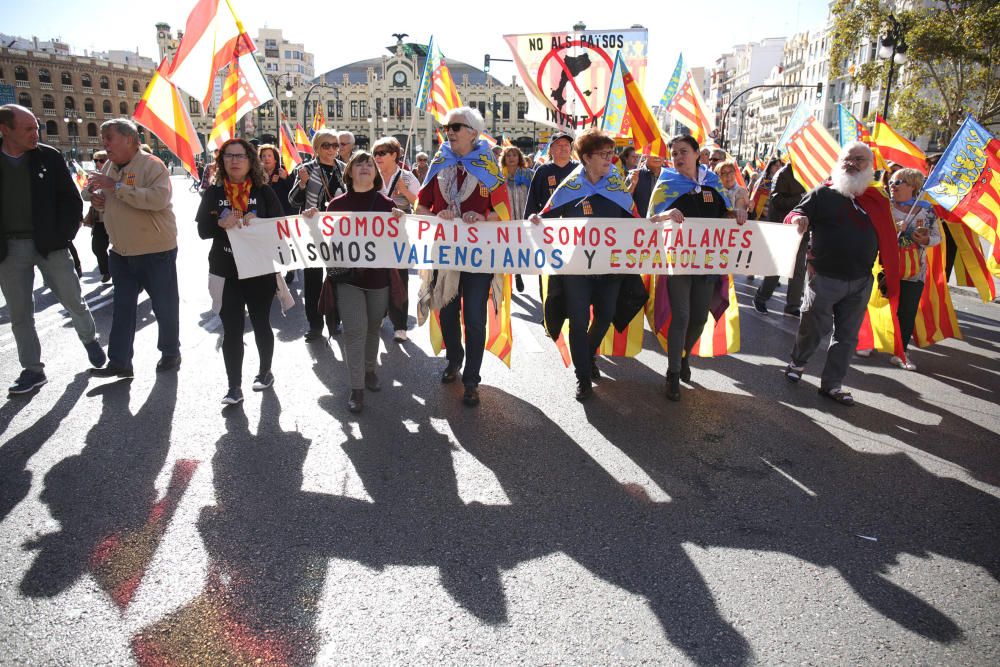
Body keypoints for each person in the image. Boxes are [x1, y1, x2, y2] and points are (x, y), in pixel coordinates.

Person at [783, 141, 900, 406]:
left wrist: (886, 271)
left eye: (859, 160)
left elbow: (887, 236)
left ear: (870, 166)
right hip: (823, 276)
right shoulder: (823, 194)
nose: (852, 163)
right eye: (847, 159)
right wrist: (798, 220)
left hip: (860, 281)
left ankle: (832, 385)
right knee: (813, 327)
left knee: (846, 337)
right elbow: (795, 213)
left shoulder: (878, 199)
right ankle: (797, 363)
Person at [0, 104, 106, 395]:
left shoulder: (49, 156)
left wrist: (62, 237)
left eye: (36, 127)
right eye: (28, 129)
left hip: (51, 245)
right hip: (9, 250)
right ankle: (32, 370)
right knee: (20, 313)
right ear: (5, 130)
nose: (36, 133)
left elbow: (71, 201)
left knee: (73, 299)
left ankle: (90, 340)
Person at [530, 129, 636, 400]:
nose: (610, 159)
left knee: (605, 316)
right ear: (587, 157)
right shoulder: (571, 186)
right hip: (576, 269)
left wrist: (662, 218)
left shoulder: (616, 183)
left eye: (612, 154)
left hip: (610, 269)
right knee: (578, 321)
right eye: (604, 154)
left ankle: (587, 355)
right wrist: (536, 220)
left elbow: (636, 221)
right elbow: (545, 216)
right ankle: (582, 377)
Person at [414, 107, 502, 408]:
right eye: (447, 126)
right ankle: (455, 359)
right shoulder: (439, 161)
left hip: (479, 257)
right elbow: (420, 208)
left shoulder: (488, 164)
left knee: (475, 318)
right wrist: (437, 214)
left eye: (456, 126)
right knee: (447, 314)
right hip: (445, 253)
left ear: (473, 133)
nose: (449, 131)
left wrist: (484, 214)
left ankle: (472, 380)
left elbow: (502, 212)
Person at [648, 134, 744, 401]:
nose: (678, 157)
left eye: (683, 152)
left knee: (699, 318)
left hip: (708, 263)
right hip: (678, 262)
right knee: (681, 316)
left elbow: (726, 212)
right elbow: (650, 219)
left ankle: (683, 355)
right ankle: (673, 373)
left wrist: (738, 210)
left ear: (696, 154)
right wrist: (666, 215)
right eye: (674, 153)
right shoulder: (667, 183)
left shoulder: (713, 182)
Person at [88, 117, 179, 379]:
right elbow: (107, 200)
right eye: (103, 139)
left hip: (155, 250)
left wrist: (115, 188)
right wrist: (97, 200)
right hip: (121, 251)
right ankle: (119, 362)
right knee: (123, 307)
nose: (105, 145)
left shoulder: (152, 165)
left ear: (129, 140)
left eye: (110, 139)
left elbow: (159, 199)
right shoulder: (109, 165)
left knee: (164, 305)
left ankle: (170, 351)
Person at [196, 138, 284, 405]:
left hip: (259, 271)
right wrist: (220, 223)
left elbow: (281, 228)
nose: (234, 161)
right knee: (232, 330)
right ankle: (234, 387)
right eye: (229, 156)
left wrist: (261, 223)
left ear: (250, 161)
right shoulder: (214, 193)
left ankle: (265, 372)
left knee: (260, 324)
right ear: (222, 162)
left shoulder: (264, 191)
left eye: (240, 156)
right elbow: (202, 232)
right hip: (225, 272)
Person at [324, 151, 404, 413]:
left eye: (370, 163)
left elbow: (401, 243)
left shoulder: (387, 204)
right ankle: (356, 388)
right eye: (359, 163)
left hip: (378, 279)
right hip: (348, 280)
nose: (365, 167)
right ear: (349, 172)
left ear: (376, 173)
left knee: (372, 328)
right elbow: (323, 240)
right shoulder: (335, 206)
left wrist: (400, 223)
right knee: (354, 331)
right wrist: (313, 219)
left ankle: (370, 370)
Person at [857, 168, 940, 370]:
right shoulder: (883, 207)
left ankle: (901, 353)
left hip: (914, 271)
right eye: (891, 182)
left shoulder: (926, 210)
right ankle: (869, 343)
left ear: (913, 186)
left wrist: (927, 239)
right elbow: (869, 233)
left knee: (906, 312)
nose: (892, 186)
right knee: (877, 304)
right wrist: (893, 228)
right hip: (884, 267)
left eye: (898, 182)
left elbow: (937, 237)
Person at [289, 128, 346, 340]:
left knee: (338, 277)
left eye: (335, 145)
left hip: (338, 233)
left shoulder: (344, 168)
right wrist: (302, 184)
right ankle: (314, 325)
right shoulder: (305, 169)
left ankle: (335, 320)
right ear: (316, 148)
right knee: (312, 281)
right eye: (326, 145)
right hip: (312, 232)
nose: (331, 150)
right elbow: (293, 201)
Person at [372, 136, 420, 342]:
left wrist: (405, 191)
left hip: (400, 237)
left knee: (399, 280)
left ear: (394, 155)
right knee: (377, 279)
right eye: (375, 153)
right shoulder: (370, 175)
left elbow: (420, 205)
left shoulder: (408, 177)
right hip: (374, 236)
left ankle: (400, 326)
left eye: (382, 153)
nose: (377, 157)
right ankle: (381, 314)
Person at [753, 161, 807, 315]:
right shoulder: (783, 174)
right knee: (777, 267)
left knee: (798, 270)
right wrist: (801, 198)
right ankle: (761, 298)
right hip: (783, 227)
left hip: (802, 229)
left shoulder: (809, 173)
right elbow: (776, 201)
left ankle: (793, 306)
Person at [501, 146, 534, 293]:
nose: (511, 158)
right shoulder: (499, 175)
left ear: (519, 157)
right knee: (508, 248)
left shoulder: (528, 174)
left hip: (523, 216)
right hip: (506, 218)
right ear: (504, 158)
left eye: (514, 155)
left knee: (522, 247)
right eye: (508, 155)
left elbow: (536, 194)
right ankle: (513, 276)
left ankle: (519, 272)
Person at [523, 132, 577, 217]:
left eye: (566, 144)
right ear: (551, 149)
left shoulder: (579, 169)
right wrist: (529, 218)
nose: (563, 148)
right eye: (559, 145)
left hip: (576, 224)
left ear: (570, 148)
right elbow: (532, 200)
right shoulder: (543, 171)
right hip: (549, 224)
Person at [82, 150, 111, 283]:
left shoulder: (114, 174)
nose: (98, 163)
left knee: (121, 249)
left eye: (101, 160)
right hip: (100, 220)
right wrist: (91, 188)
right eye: (96, 161)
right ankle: (106, 271)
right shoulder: (93, 177)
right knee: (97, 247)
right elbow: (84, 196)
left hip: (115, 220)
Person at [628, 152, 665, 218]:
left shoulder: (671, 176)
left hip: (666, 224)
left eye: (660, 152)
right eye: (653, 153)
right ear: (645, 155)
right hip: (640, 224)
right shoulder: (634, 174)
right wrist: (632, 185)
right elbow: (623, 201)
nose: (657, 157)